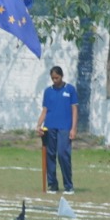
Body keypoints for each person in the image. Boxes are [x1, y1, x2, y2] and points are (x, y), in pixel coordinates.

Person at [37, 64, 78, 193]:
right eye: (53, 78)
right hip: (49, 128)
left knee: (63, 154)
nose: (55, 80)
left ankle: (68, 185)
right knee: (50, 155)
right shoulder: (48, 91)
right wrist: (39, 125)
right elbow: (45, 110)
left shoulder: (70, 90)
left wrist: (73, 128)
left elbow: (74, 110)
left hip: (65, 128)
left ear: (62, 76)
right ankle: (52, 184)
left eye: (57, 77)